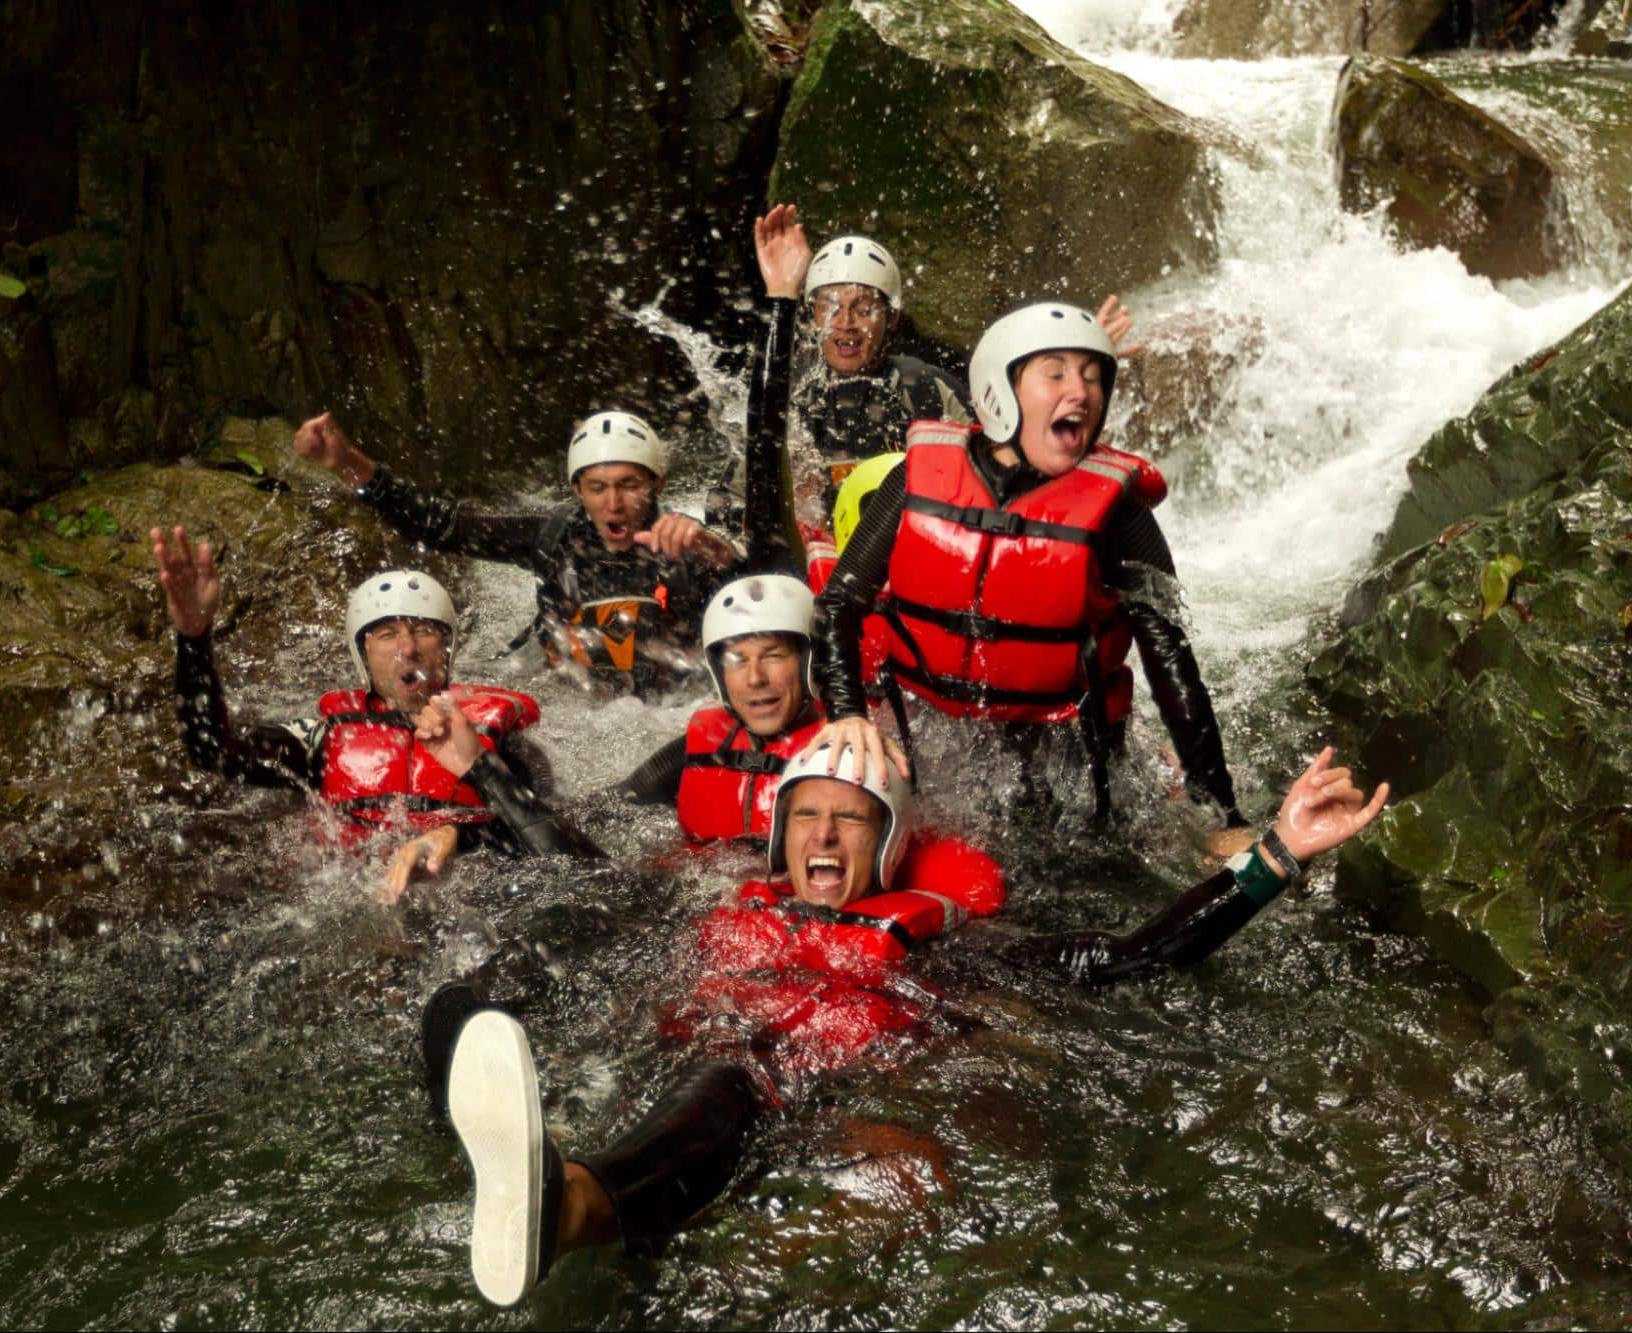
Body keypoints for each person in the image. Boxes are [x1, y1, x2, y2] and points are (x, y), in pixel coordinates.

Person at [432, 743, 1387, 1305]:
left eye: (850, 821)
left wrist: (1273, 855)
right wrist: (476, 795)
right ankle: (557, 1191)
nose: (823, 837)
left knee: (812, 1114)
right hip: (693, 1077)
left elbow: (1129, 954)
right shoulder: (713, 922)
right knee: (700, 1059)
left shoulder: (933, 948)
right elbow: (581, 878)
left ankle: (582, 1208)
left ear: (887, 848)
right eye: (805, 817)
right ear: (777, 839)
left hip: (824, 1100)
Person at [811, 301, 1249, 839]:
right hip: (933, 748)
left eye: (1092, 377)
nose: (1081, 392)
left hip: (1071, 774)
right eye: (1057, 373)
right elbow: (838, 604)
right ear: (1001, 388)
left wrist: (1221, 818)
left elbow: (1172, 668)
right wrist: (846, 713)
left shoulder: (1120, 516)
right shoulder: (914, 480)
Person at [718, 204, 1134, 587]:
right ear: (811, 316)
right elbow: (740, 503)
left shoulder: (928, 391)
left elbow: (1013, 457)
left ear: (892, 319)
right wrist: (782, 294)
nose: (844, 323)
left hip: (912, 563)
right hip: (810, 569)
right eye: (830, 307)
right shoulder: (788, 400)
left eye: (864, 309)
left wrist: (1072, 370)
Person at [293, 409, 738, 698]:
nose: (614, 504)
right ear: (576, 489)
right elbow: (442, 525)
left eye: (629, 485)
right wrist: (346, 463)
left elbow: (769, 610)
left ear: (658, 484)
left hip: (670, 709)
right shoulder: (553, 539)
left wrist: (725, 561)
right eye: (598, 488)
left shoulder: (691, 546)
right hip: (572, 711)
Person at [151, 527, 543, 849]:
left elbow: (554, 849)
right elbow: (210, 748)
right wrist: (194, 640)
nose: (408, 649)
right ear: (363, 657)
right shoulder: (323, 739)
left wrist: (458, 833)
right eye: (388, 635)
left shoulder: (499, 742)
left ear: (448, 649)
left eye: (424, 632)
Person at [613, 573, 834, 845]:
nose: (755, 678)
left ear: (808, 663)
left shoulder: (842, 755)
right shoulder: (707, 742)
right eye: (737, 660)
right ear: (719, 674)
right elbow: (615, 806)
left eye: (773, 656)